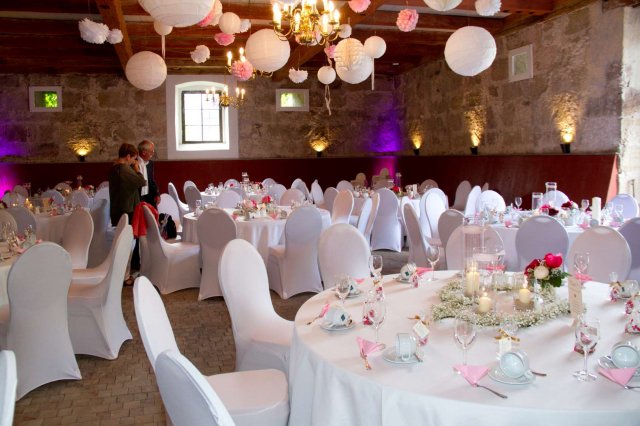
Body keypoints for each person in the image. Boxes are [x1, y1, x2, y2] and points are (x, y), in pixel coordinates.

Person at [109, 143, 147, 226]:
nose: (134, 161)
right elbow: (142, 182)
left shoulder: (115, 167)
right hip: (125, 210)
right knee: (127, 233)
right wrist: (136, 168)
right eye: (134, 158)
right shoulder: (124, 169)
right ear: (128, 156)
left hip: (117, 208)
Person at [137, 140, 160, 208]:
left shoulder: (150, 163)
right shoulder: (134, 163)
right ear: (144, 152)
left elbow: (151, 180)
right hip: (138, 197)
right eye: (151, 151)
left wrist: (157, 194)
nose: (153, 153)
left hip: (149, 196)